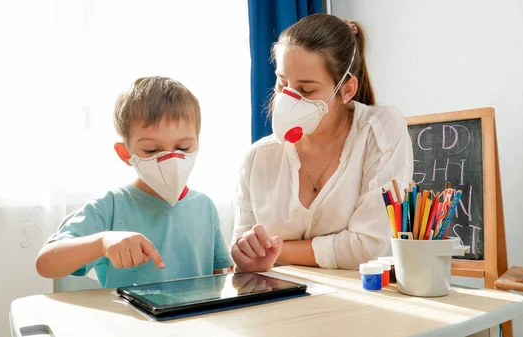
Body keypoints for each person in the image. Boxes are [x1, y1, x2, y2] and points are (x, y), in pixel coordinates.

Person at [231, 14, 413, 272]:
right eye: (282, 84)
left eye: (306, 90)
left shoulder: (380, 129)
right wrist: (243, 252)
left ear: (347, 90)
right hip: (278, 302)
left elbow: (367, 246)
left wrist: (276, 251)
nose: (289, 99)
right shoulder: (258, 157)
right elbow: (242, 247)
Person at [36, 76, 233, 288]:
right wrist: (102, 242)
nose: (171, 159)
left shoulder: (204, 206)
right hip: (133, 321)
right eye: (152, 150)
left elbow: (219, 278)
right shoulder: (109, 206)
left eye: (183, 148)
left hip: (193, 320)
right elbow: (46, 263)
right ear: (125, 154)